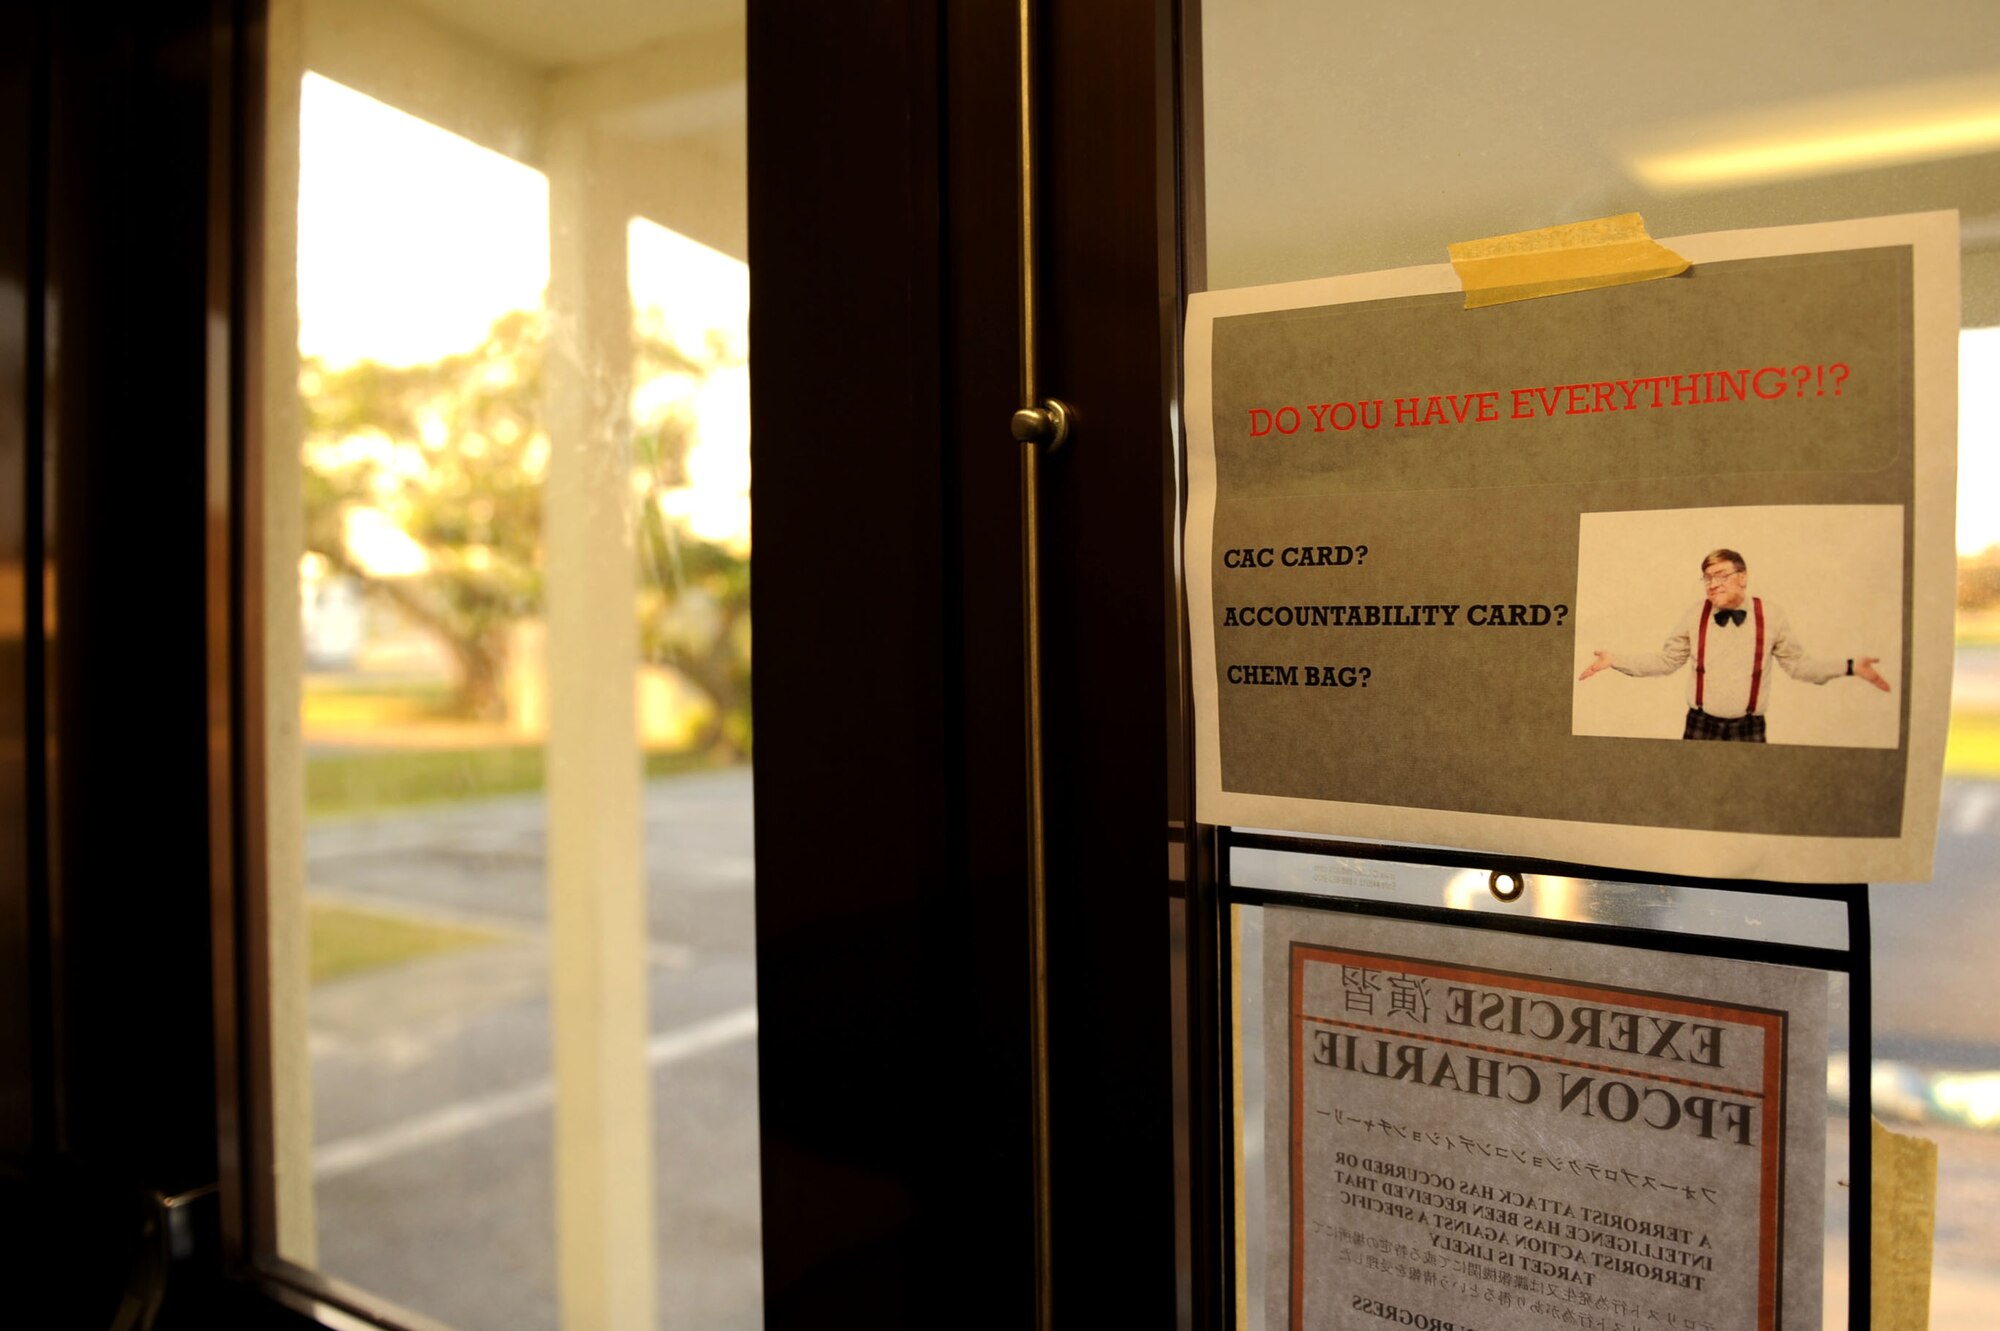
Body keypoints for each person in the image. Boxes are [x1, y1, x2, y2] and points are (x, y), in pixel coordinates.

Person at [1577, 547, 1890, 742]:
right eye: (1707, 578)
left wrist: (1849, 667)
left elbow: (1800, 667)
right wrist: (1615, 660)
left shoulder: (1772, 615)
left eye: (1721, 575)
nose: (1713, 584)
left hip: (1749, 730)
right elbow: (1665, 661)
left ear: (1743, 577)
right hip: (1700, 726)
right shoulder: (1694, 614)